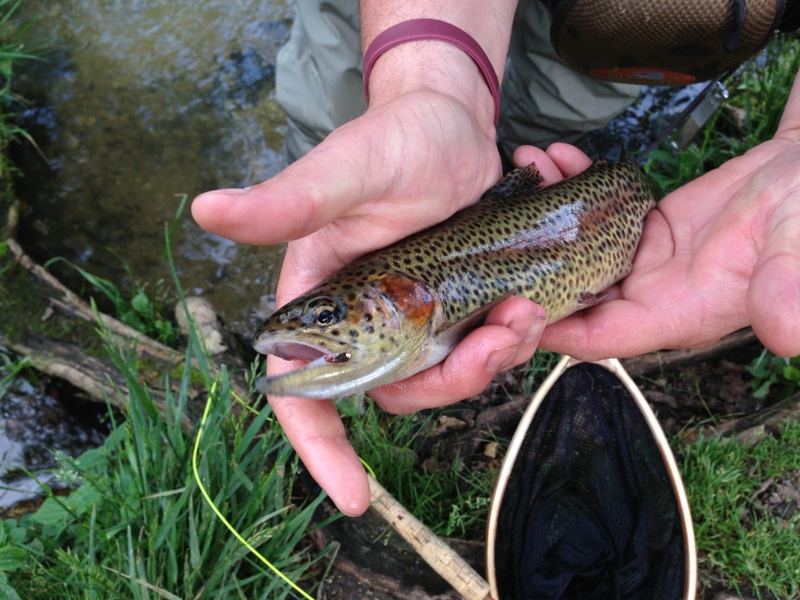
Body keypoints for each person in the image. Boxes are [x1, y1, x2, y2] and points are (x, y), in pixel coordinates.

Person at [192, 0, 800, 516]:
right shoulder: (413, 309)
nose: (318, 326)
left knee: (564, 103)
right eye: (325, 319)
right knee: (340, 120)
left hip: (630, 31)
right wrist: (431, 84)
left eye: (327, 317)